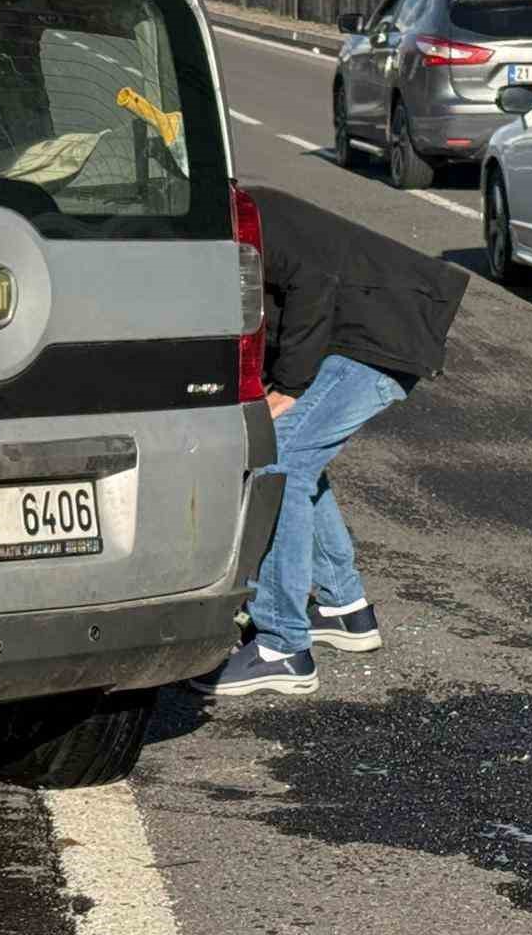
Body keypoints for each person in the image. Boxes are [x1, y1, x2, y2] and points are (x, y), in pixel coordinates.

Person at [190, 186, 467, 697]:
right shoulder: (221, 208)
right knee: (300, 462)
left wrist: (290, 386)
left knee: (278, 462)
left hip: (376, 339)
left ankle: (283, 645)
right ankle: (344, 609)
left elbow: (314, 280)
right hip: (373, 333)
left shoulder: (229, 213)